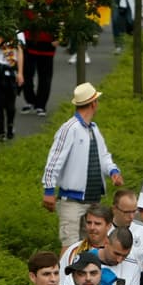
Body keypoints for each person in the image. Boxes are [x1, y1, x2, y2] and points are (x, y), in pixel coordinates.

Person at [41, 83, 124, 249]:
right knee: (70, 245)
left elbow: (103, 156)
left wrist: (113, 171)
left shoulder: (93, 129)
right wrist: (48, 190)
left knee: (90, 245)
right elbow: (54, 160)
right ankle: (65, 274)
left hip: (92, 200)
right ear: (93, 103)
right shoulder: (70, 128)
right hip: (71, 200)